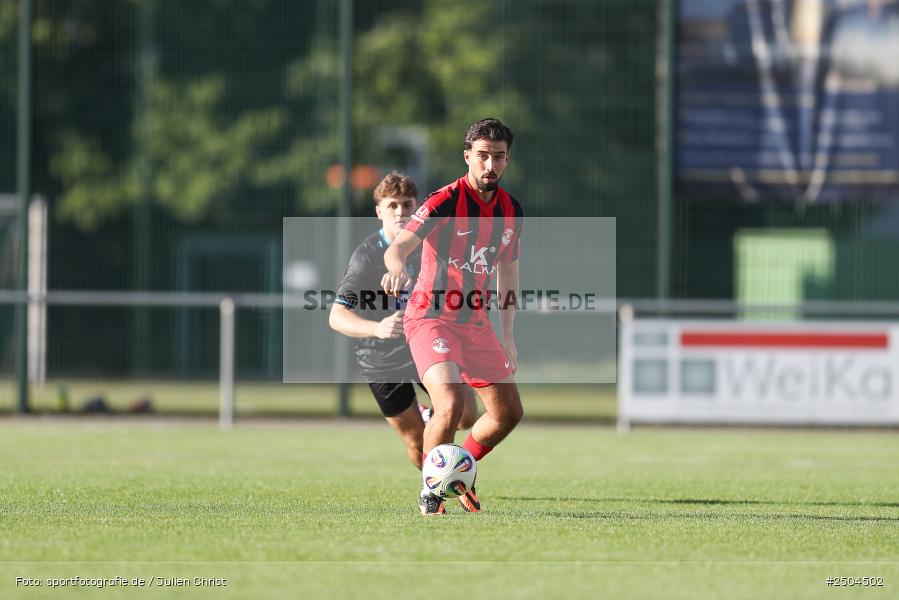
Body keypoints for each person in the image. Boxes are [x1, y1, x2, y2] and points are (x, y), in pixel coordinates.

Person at [381, 118, 524, 515]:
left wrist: (508, 333)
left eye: (498, 157)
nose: (489, 165)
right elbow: (400, 246)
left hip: (475, 324)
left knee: (509, 413)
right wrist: (396, 266)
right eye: (482, 156)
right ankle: (432, 495)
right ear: (467, 157)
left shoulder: (511, 210)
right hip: (430, 318)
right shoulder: (445, 200)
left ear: (507, 159)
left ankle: (459, 469)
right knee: (449, 406)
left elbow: (508, 273)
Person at [329, 172, 477, 469]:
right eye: (392, 205)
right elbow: (337, 316)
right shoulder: (366, 258)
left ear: (417, 208)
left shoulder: (431, 244)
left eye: (407, 205)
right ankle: (437, 485)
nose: (400, 212)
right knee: (416, 443)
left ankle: (435, 424)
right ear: (379, 211)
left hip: (425, 341)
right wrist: (378, 327)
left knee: (466, 415)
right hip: (380, 356)